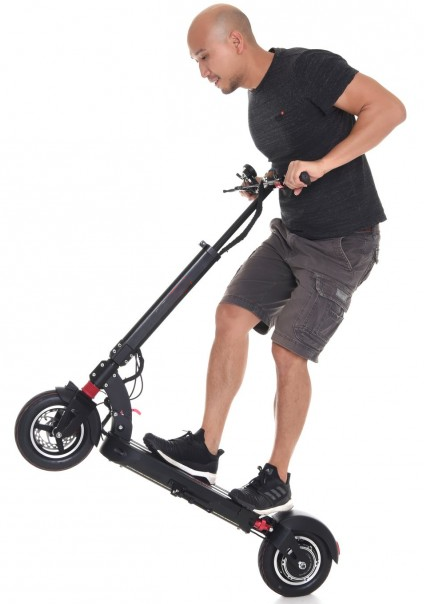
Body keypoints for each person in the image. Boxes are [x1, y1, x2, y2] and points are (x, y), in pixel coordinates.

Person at [144, 4, 406, 514]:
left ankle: (277, 476)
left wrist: (323, 165)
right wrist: (267, 180)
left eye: (204, 57)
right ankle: (205, 448)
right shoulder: (256, 100)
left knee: (288, 351)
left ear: (236, 41)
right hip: (293, 233)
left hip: (343, 242)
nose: (203, 71)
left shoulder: (308, 68)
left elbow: (390, 109)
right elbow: (295, 155)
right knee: (230, 315)